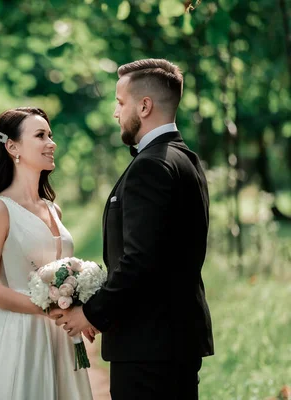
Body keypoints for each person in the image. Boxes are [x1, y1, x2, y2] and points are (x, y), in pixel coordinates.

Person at [51, 59, 215, 400]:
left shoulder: (151, 167)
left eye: (120, 102)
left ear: (145, 105)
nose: (115, 112)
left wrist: (92, 313)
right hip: (175, 340)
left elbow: (140, 261)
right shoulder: (185, 160)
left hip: (148, 346)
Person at [0, 107, 94, 399]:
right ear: (12, 147)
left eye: (50, 135)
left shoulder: (54, 209)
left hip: (61, 337)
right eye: (40, 135)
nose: (51, 143)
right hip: (20, 334)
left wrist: (80, 303)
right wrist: (49, 308)